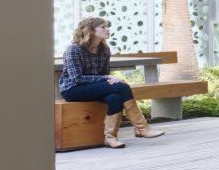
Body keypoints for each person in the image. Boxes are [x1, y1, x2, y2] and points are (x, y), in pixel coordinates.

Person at [60, 17, 164, 148]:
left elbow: (104, 74)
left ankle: (110, 137)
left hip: (94, 87)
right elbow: (77, 78)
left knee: (115, 97)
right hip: (73, 89)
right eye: (103, 27)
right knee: (121, 87)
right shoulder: (74, 50)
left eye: (107, 26)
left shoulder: (104, 50)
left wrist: (107, 78)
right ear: (90, 30)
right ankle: (142, 128)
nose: (107, 29)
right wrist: (106, 78)